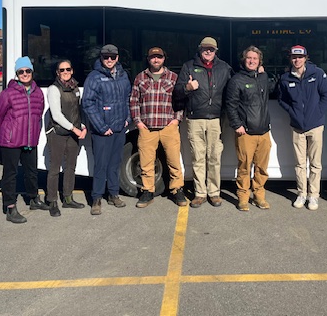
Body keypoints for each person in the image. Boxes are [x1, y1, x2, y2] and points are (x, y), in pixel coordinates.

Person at [174, 36, 232, 208]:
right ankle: (200, 193)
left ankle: (214, 193)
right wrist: (187, 88)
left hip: (215, 119)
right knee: (198, 157)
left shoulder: (224, 68)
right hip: (195, 119)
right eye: (205, 48)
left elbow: (235, 88)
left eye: (212, 49)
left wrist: (257, 72)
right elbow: (177, 92)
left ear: (216, 51)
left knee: (214, 157)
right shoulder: (189, 66)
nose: (208, 51)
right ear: (200, 49)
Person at [0, 56, 48, 223]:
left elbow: (38, 115)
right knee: (11, 174)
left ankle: (33, 199)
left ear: (32, 71)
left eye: (27, 71)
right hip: (11, 141)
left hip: (30, 139)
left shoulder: (38, 93)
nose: (25, 74)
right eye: (21, 71)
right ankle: (10, 207)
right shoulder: (7, 93)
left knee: (31, 171)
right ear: (17, 74)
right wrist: (5, 133)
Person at [129, 47, 187, 208]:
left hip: (168, 127)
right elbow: (134, 101)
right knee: (146, 163)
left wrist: (177, 120)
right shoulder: (140, 78)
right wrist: (138, 122)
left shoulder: (174, 78)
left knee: (174, 161)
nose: (156, 60)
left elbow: (180, 100)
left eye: (159, 57)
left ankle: (177, 190)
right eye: (153, 57)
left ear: (164, 59)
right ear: (148, 59)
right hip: (147, 128)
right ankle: (148, 191)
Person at [277, 45, 327, 211]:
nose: (297, 60)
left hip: (315, 126)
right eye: (294, 57)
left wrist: (317, 113)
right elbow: (282, 100)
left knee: (315, 163)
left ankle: (314, 195)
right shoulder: (286, 78)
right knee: (300, 164)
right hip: (297, 126)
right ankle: (301, 193)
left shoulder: (317, 74)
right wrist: (292, 112)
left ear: (305, 58)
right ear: (290, 58)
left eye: (300, 57)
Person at [82, 44, 131, 215]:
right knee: (101, 165)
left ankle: (113, 194)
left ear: (117, 58)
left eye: (112, 57)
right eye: (105, 57)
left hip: (119, 129)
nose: (109, 60)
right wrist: (101, 127)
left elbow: (127, 99)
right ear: (101, 58)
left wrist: (127, 119)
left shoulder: (123, 76)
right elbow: (87, 103)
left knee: (115, 164)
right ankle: (96, 198)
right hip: (102, 131)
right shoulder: (94, 77)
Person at [225, 46, 271, 211]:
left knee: (262, 168)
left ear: (260, 62)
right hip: (246, 133)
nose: (252, 61)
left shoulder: (263, 77)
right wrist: (237, 125)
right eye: (249, 58)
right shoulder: (236, 80)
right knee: (244, 167)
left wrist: (263, 73)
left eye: (255, 59)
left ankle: (259, 196)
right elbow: (230, 105)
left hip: (264, 131)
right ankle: (243, 198)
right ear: (243, 60)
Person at [45, 59, 87, 217]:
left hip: (73, 133)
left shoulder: (75, 87)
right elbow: (56, 115)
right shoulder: (53, 89)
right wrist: (75, 129)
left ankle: (68, 198)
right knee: (55, 168)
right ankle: (52, 201)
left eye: (68, 69)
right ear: (57, 72)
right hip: (57, 133)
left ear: (72, 70)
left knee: (70, 167)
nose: (65, 72)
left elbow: (78, 110)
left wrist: (83, 126)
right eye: (62, 70)